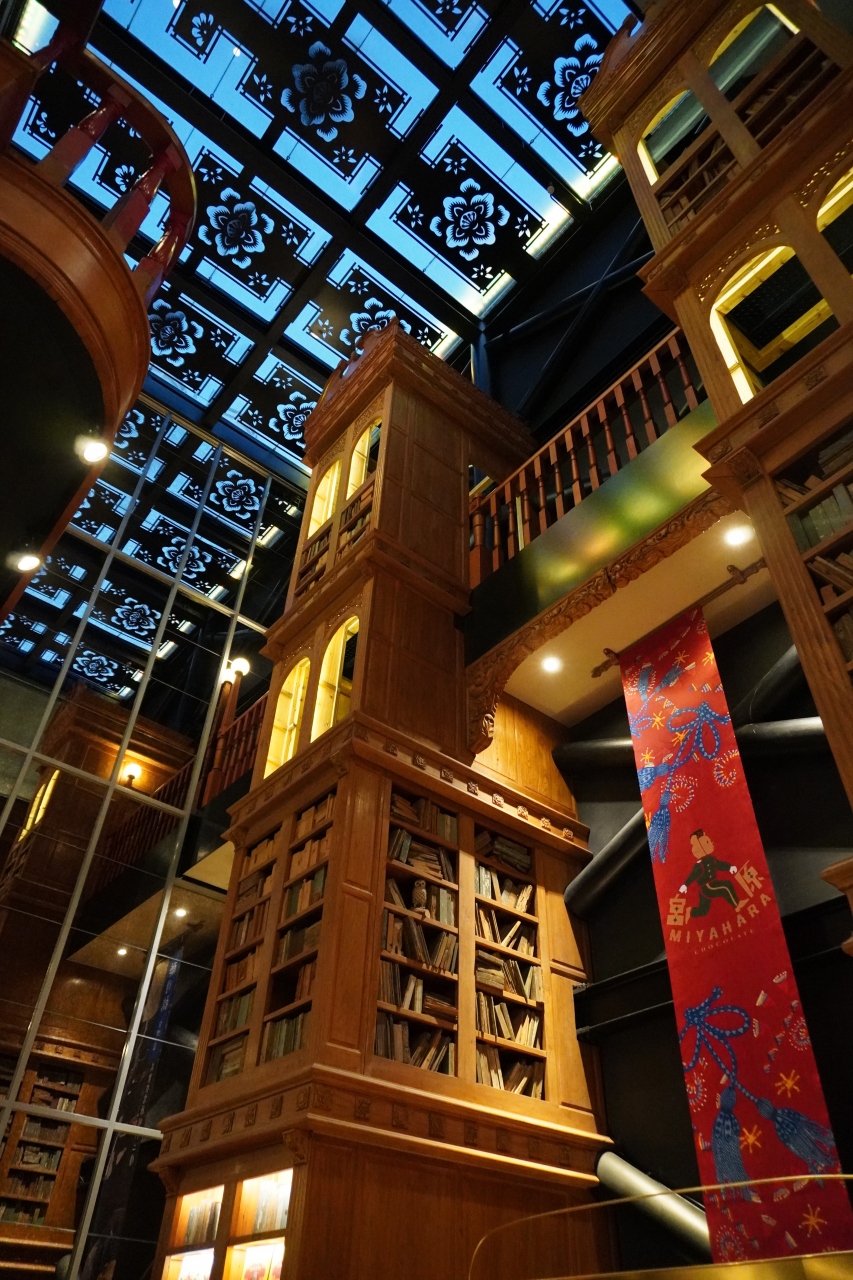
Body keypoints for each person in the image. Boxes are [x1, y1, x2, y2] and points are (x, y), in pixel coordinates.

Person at [679, 829, 747, 921]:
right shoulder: (699, 865)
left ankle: (690, 911)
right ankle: (737, 905)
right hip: (707, 887)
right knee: (726, 886)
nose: (711, 842)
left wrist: (729, 867)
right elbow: (692, 876)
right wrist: (685, 885)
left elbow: (720, 865)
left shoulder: (712, 859)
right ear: (701, 847)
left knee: (704, 910)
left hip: (711, 886)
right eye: (708, 842)